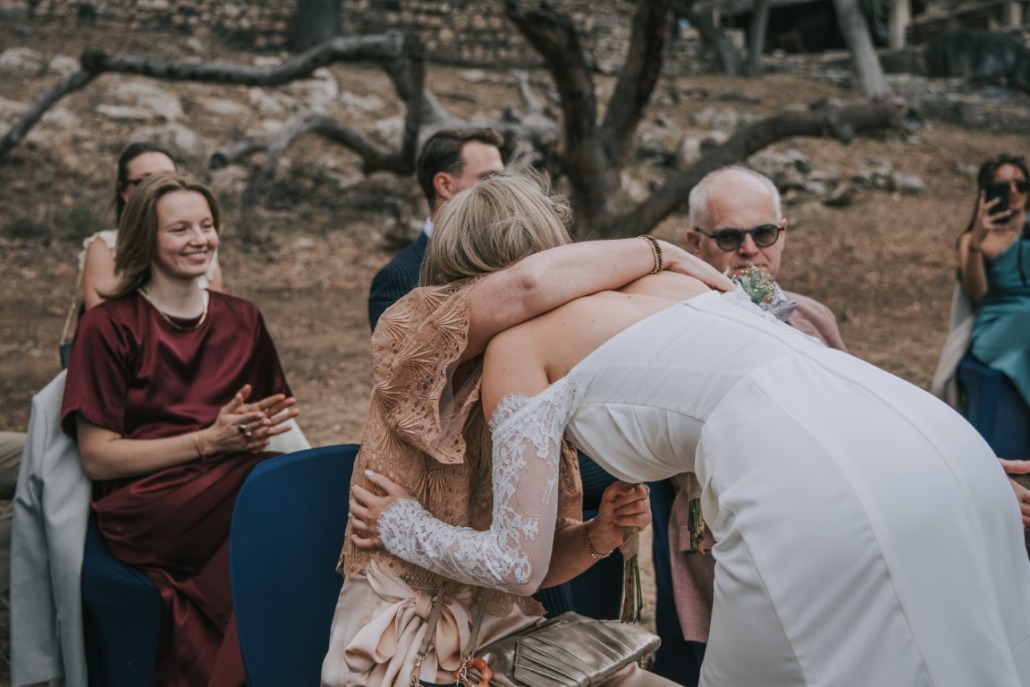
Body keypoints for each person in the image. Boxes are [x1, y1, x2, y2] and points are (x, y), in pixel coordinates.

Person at [354, 174, 1030, 687]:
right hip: (928, 437)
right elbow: (805, 380)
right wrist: (924, 461)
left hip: (804, 483)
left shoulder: (517, 346)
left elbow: (517, 563)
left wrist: (399, 523)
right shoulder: (669, 284)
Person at [322, 174, 733, 687]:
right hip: (400, 641)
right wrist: (660, 252)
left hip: (507, 640)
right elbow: (528, 287)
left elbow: (528, 565)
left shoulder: (536, 374)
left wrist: (597, 535)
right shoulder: (415, 327)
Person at [61, 174, 298, 686]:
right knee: (281, 499)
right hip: (147, 506)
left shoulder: (243, 318)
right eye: (180, 229)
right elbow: (97, 457)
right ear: (145, 238)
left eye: (207, 225)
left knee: (296, 493)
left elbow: (259, 417)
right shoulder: (107, 326)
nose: (199, 239)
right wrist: (208, 441)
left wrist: (248, 430)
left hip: (227, 486)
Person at [655, 166, 848, 683]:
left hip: (817, 535)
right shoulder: (673, 327)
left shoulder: (814, 319)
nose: (749, 250)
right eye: (729, 237)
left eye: (763, 233)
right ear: (695, 242)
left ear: (782, 233)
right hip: (721, 543)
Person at [367, 127, 504, 331]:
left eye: (503, 178)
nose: (502, 189)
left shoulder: (507, 257)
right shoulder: (398, 277)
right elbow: (401, 351)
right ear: (445, 185)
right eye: (489, 178)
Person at [80, 142, 224, 310]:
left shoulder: (201, 245)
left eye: (168, 178)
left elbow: (217, 312)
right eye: (146, 181)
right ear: (124, 190)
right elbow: (101, 316)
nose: (159, 189)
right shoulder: (106, 246)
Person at [952, 153, 1030, 407]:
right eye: (1004, 186)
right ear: (987, 192)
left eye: (1021, 185)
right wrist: (977, 240)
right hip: (996, 327)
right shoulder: (973, 240)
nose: (1014, 191)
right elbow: (975, 291)